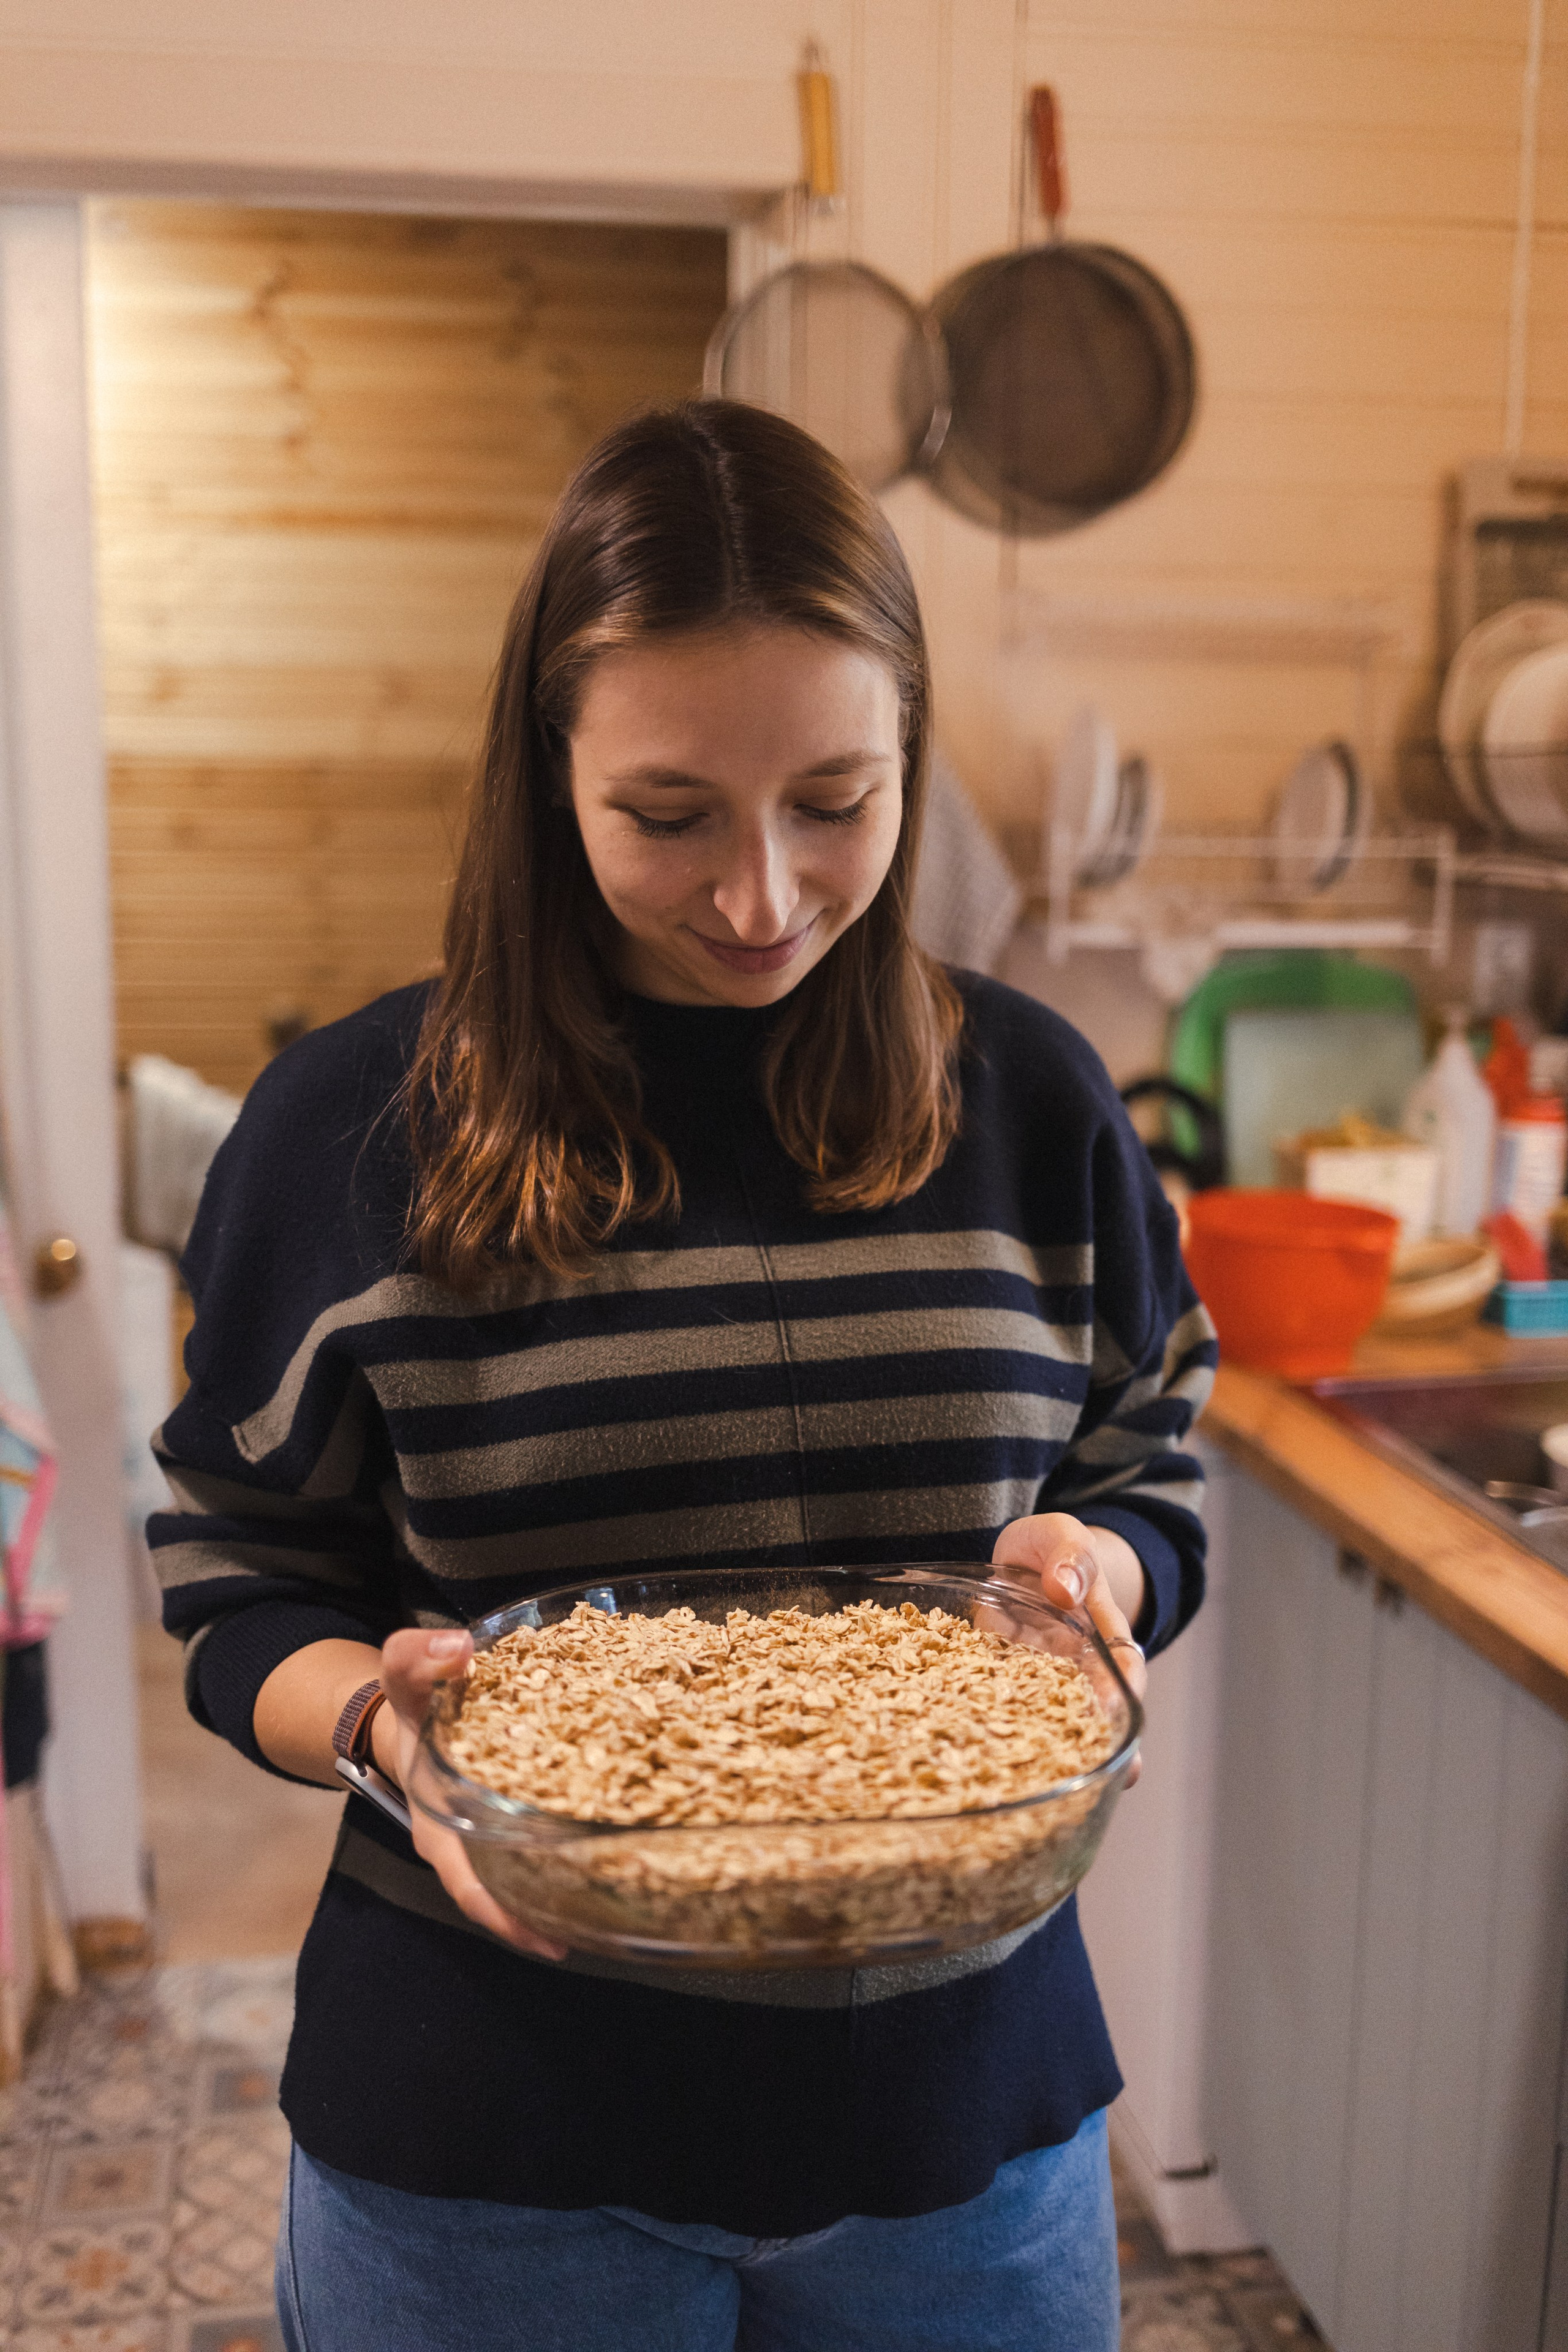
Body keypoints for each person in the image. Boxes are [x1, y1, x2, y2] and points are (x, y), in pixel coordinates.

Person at [150, 399, 1216, 2352]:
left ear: (912, 756)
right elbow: (235, 1579)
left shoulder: (1036, 1102)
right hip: (487, 2152)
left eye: (839, 800)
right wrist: (390, 1732)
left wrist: (1097, 1575)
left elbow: (1151, 1462)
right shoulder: (346, 1134)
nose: (762, 897)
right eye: (669, 815)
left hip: (964, 2146)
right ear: (546, 772)